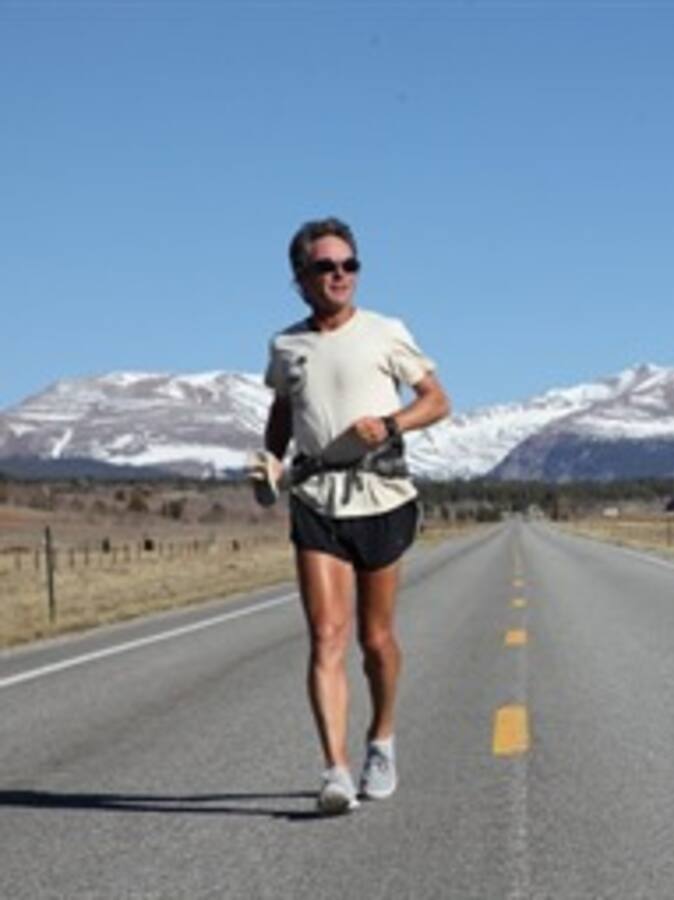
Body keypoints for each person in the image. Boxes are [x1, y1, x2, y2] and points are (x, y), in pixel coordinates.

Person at [252, 217, 450, 815]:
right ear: (301, 278)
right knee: (326, 636)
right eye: (326, 267)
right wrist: (271, 462)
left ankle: (380, 740)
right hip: (317, 500)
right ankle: (335, 771)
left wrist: (389, 425)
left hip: (382, 498)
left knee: (376, 638)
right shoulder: (286, 347)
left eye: (349, 265)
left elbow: (437, 401)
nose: (340, 275)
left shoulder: (386, 332)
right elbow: (283, 415)